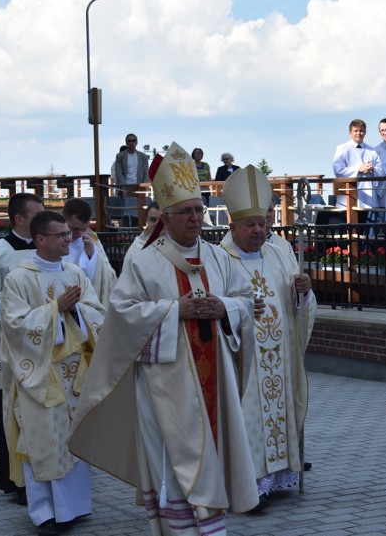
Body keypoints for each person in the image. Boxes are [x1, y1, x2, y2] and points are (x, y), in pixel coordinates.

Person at [69, 142, 259, 535]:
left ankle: (211, 528)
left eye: (199, 211)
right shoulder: (144, 260)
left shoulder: (219, 257)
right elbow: (121, 315)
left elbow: (245, 300)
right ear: (166, 218)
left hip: (214, 380)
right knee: (174, 461)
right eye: (186, 212)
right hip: (164, 384)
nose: (195, 218)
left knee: (215, 451)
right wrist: (177, 311)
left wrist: (223, 308)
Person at [0, 210, 105, 536]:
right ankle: (45, 513)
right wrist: (54, 309)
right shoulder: (18, 278)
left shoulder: (74, 272)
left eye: (68, 234)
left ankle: (74, 508)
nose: (69, 238)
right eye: (61, 235)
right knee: (43, 444)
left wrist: (77, 309)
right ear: (41, 239)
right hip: (41, 378)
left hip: (77, 375)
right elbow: (14, 327)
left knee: (74, 441)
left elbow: (98, 312)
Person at [219, 165, 317, 502]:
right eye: (251, 224)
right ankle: (249, 487)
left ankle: (276, 478)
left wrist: (301, 291)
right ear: (232, 227)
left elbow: (297, 303)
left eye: (263, 223)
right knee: (248, 420)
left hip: (278, 358)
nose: (259, 230)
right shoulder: (220, 260)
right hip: (244, 362)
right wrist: (238, 311)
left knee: (276, 416)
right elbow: (216, 305)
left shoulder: (278, 253)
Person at [0, 192, 45, 503]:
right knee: (10, 412)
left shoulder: (47, 250)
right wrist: (18, 327)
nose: (43, 221)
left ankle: (42, 476)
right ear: (18, 219)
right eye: (36, 215)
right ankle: (16, 481)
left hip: (44, 343)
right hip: (9, 344)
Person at [61, 198, 117, 307]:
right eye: (74, 228)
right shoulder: (53, 239)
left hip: (89, 302)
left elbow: (110, 276)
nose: (80, 233)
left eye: (84, 228)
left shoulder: (93, 240)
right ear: (64, 220)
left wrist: (92, 254)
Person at [331, 118, 383, 223]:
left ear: (365, 132)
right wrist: (358, 169)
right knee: (351, 228)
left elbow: (381, 169)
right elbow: (337, 169)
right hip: (349, 194)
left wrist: (373, 169)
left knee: (368, 229)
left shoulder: (372, 150)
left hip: (369, 195)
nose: (359, 133)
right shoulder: (342, 148)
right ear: (350, 132)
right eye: (356, 131)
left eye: (361, 131)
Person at [123, 201, 161, 266]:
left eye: (161, 220)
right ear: (146, 221)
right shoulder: (136, 250)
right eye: (153, 220)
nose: (157, 224)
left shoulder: (177, 245)